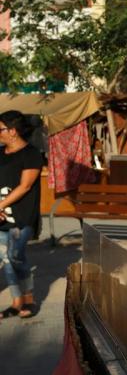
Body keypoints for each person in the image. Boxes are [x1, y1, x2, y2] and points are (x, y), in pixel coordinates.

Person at [0, 110, 43, 319]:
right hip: (1, 216)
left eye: (1, 129)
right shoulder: (0, 153)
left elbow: (25, 186)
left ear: (13, 131)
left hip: (22, 217)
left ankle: (29, 298)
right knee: (6, 259)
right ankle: (16, 302)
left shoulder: (32, 154)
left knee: (15, 256)